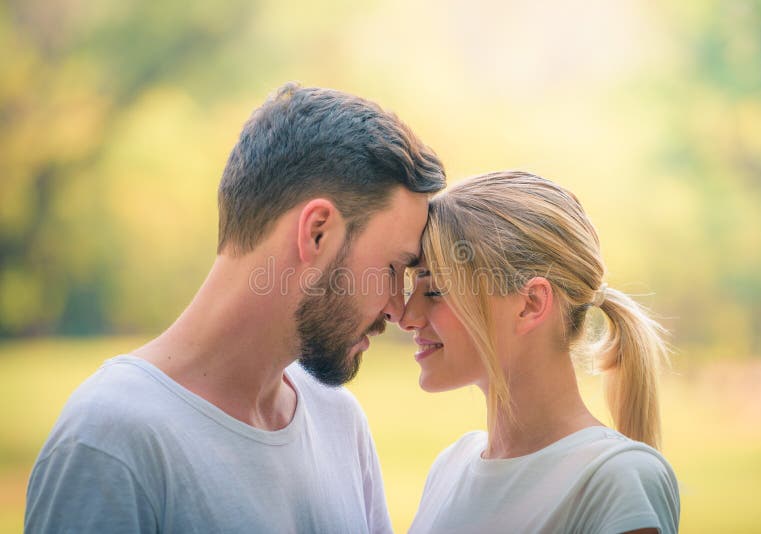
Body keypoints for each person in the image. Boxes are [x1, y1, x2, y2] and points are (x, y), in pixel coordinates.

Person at [25, 83, 446, 533]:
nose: (398, 309)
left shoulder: (338, 421)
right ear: (317, 233)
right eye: (392, 268)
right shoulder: (109, 442)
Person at [400, 171, 680, 533]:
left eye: (435, 290)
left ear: (531, 303)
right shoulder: (449, 468)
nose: (407, 317)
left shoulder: (615, 480)